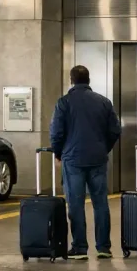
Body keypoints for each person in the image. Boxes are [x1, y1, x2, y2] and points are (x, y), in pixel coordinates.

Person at [49, 64, 122, 260]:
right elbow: (115, 130)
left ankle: (80, 247)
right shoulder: (104, 102)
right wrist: (102, 147)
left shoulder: (64, 102)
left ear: (71, 80)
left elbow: (56, 132)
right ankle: (104, 247)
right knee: (100, 203)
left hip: (72, 159)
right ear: (89, 80)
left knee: (75, 204)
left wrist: (58, 153)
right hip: (97, 158)